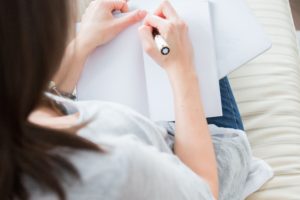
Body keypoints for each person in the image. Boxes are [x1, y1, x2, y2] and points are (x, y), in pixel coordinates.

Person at [0, 0, 272, 200]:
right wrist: (182, 69)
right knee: (184, 18)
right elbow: (201, 190)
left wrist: (84, 42)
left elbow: (33, 100)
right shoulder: (112, 165)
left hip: (146, 138)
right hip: (206, 155)